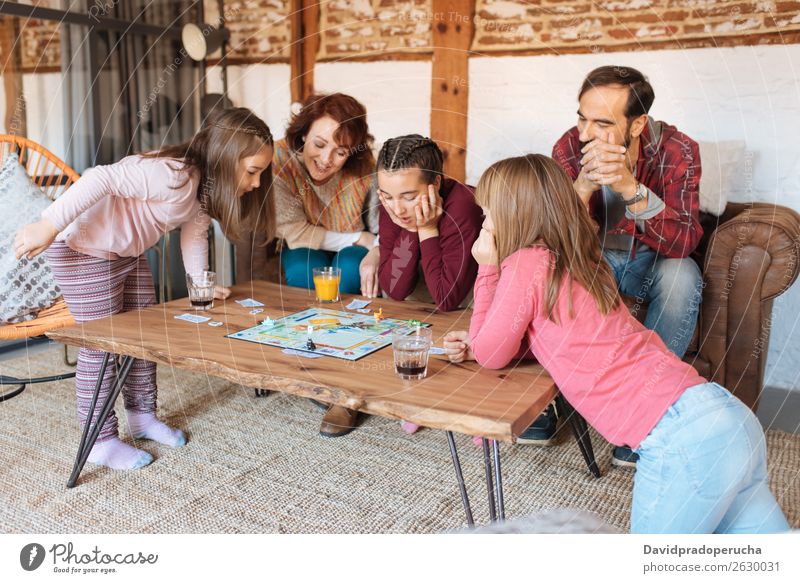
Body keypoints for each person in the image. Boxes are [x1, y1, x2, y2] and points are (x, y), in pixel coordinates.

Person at [443, 154, 788, 533]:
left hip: (680, 437)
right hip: (725, 417)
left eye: (489, 214)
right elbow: (555, 335)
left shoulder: (525, 262)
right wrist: (481, 342)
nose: (485, 225)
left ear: (514, 216)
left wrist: (488, 268)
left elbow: (493, 356)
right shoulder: (581, 262)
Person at [14, 108, 276, 471]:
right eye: (253, 171)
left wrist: (200, 284)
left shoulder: (201, 193)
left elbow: (194, 235)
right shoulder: (172, 176)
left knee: (142, 335)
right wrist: (49, 224)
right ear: (226, 158)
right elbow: (101, 179)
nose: (258, 182)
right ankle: (100, 440)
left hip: (126, 254)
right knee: (102, 347)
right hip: (83, 250)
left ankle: (142, 415)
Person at [539, 66, 704, 467]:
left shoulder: (677, 150)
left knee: (684, 277)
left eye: (602, 123)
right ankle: (546, 400)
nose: (584, 133)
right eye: (581, 117)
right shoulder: (568, 146)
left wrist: (630, 188)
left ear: (638, 124)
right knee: (548, 269)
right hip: (596, 260)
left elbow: (683, 241)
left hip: (654, 261)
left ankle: (648, 414)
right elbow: (551, 238)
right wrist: (581, 189)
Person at [272, 93, 380, 437]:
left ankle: (343, 390)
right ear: (302, 133)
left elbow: (378, 229)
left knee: (350, 272)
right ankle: (307, 365)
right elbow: (295, 232)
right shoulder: (278, 159)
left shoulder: (365, 167)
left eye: (340, 151)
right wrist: (356, 238)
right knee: (304, 272)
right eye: (319, 144)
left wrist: (373, 248)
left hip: (355, 245)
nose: (326, 159)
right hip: (306, 244)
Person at [376, 134, 482, 433]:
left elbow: (448, 298)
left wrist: (427, 227)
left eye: (409, 196)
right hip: (427, 299)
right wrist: (412, 228)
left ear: (434, 185)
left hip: (469, 297)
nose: (396, 208)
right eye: (386, 195)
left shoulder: (463, 205)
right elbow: (395, 290)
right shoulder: (391, 205)